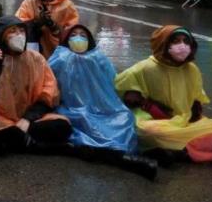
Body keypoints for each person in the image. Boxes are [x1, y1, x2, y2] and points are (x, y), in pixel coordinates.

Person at [48, 25, 157, 179]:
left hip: (105, 107)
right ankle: (120, 155)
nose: (78, 38)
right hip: (75, 108)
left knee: (125, 117)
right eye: (74, 35)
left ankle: (112, 152)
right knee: (85, 123)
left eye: (83, 35)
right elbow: (47, 81)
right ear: (67, 39)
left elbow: (115, 81)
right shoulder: (60, 57)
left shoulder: (98, 57)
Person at [115, 26, 212, 164]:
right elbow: (121, 88)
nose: (183, 46)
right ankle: (193, 148)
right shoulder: (145, 67)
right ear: (164, 44)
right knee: (150, 132)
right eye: (176, 41)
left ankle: (181, 150)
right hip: (155, 121)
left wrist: (195, 107)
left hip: (185, 120)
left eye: (186, 41)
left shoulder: (191, 69)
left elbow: (197, 95)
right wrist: (144, 103)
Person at [0, 17, 71, 154]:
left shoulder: (36, 58)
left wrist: (27, 119)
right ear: (2, 36)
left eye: (21, 31)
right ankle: (30, 142)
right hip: (0, 119)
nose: (19, 35)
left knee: (62, 126)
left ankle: (24, 139)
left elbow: (49, 92)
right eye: (12, 31)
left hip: (31, 118)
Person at [15, 0, 79, 59]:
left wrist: (53, 26)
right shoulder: (29, 2)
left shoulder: (67, 6)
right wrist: (36, 22)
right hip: (33, 55)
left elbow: (73, 35)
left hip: (58, 57)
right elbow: (17, 26)